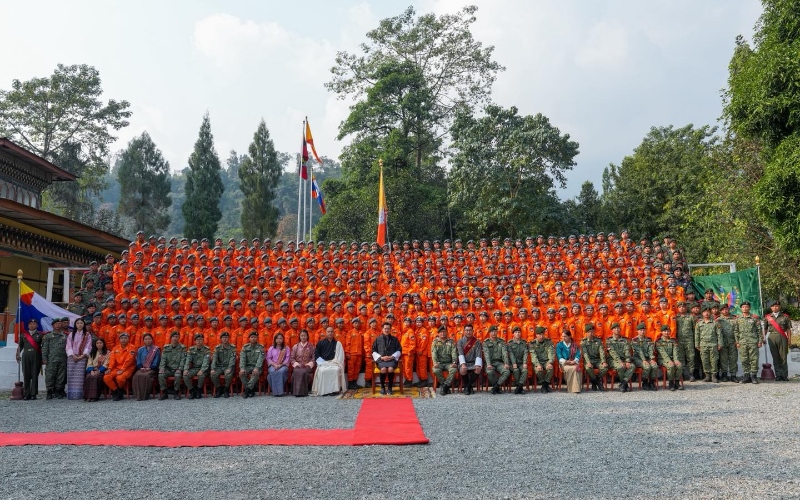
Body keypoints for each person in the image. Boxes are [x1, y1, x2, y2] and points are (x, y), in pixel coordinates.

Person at [312, 326, 346, 396]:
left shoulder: (338, 343)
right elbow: (317, 355)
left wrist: (335, 362)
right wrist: (323, 363)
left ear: (334, 333)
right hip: (323, 363)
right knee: (322, 371)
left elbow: (340, 356)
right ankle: (324, 391)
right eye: (328, 332)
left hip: (334, 363)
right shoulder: (320, 343)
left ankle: (335, 390)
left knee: (336, 370)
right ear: (325, 333)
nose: (330, 333)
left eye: (331, 332)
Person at [764, 299, 792, 381]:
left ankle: (784, 375)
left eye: (776, 306)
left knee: (783, 357)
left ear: (779, 307)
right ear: (771, 308)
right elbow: (765, 329)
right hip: (772, 337)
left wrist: (789, 339)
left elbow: (788, 329)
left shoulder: (785, 317)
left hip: (782, 337)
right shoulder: (768, 317)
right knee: (775, 357)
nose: (775, 308)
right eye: (773, 306)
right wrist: (763, 338)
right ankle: (778, 375)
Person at [734, 301, 762, 384]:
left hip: (753, 342)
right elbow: (736, 331)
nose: (745, 308)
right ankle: (746, 376)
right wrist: (737, 342)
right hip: (742, 342)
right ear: (741, 308)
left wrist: (760, 341)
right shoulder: (738, 319)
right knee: (744, 359)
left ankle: (753, 376)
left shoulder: (754, 318)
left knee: (754, 359)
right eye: (743, 307)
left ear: (749, 308)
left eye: (746, 307)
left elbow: (759, 331)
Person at [103, 332, 136, 401]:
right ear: (119, 339)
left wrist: (123, 369)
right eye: (122, 338)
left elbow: (129, 360)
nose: (123, 340)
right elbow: (112, 359)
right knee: (106, 377)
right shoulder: (115, 348)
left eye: (125, 338)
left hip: (128, 368)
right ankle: (117, 392)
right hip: (116, 368)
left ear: (128, 339)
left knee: (120, 378)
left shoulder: (132, 348)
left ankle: (120, 390)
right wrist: (109, 368)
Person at [16, 318, 44, 400]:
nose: (32, 325)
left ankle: (33, 394)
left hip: (36, 355)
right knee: (26, 375)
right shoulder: (23, 335)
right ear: (28, 326)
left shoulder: (40, 335)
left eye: (34, 324)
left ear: (37, 325)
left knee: (35, 374)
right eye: (30, 324)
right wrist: (17, 354)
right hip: (26, 355)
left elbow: (43, 347)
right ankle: (27, 393)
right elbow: (20, 346)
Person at [65, 318, 92, 400]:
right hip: (72, 357)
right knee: (71, 375)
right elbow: (68, 346)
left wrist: (82, 356)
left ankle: (80, 394)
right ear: (75, 325)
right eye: (78, 323)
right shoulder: (71, 334)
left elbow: (88, 346)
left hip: (82, 357)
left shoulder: (87, 334)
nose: (80, 324)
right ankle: (71, 394)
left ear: (83, 324)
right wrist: (73, 355)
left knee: (80, 377)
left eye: (81, 323)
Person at [371, 322, 402, 395]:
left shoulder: (395, 339)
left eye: (388, 328)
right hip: (381, 359)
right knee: (383, 369)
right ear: (382, 329)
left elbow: (399, 350)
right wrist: (381, 357)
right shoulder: (377, 339)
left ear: (390, 329)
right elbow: (373, 351)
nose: (386, 330)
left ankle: (390, 387)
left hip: (392, 359)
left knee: (391, 369)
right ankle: (382, 387)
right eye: (385, 328)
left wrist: (392, 356)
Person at [41, 317, 68, 399]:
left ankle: (58, 391)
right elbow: (45, 348)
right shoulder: (48, 336)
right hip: (51, 359)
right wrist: (44, 358)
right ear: (53, 325)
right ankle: (49, 391)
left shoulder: (65, 336)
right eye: (56, 324)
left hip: (62, 359)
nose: (58, 325)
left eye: (60, 324)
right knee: (50, 376)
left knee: (61, 376)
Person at [695, 304, 722, 383]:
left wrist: (720, 344)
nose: (706, 313)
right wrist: (697, 344)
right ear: (702, 313)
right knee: (704, 360)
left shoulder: (715, 323)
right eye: (704, 312)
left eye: (708, 312)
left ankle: (714, 376)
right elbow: (697, 334)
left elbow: (719, 334)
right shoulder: (699, 323)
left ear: (710, 313)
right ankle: (707, 376)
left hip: (713, 344)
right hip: (703, 345)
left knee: (714, 361)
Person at [605, 322, 634, 392]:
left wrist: (627, 361)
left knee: (632, 366)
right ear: (612, 330)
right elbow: (612, 353)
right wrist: (620, 361)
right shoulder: (609, 340)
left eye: (618, 328)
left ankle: (623, 383)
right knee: (621, 367)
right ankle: (625, 384)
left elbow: (627, 351)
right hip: (612, 360)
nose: (617, 330)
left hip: (624, 359)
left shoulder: (625, 340)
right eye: (615, 328)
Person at [132, 333, 161, 400]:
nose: (148, 340)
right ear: (143, 341)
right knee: (136, 376)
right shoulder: (140, 350)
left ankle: (145, 395)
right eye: (146, 339)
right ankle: (138, 395)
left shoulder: (156, 349)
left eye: (149, 339)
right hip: (142, 368)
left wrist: (150, 368)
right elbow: (138, 360)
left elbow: (156, 361)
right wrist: (140, 367)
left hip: (152, 369)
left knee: (146, 376)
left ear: (152, 340)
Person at [483, 325, 510, 394]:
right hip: (490, 363)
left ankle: (496, 386)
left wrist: (506, 363)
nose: (494, 333)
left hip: (499, 363)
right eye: (492, 332)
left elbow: (504, 353)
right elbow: (486, 354)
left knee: (506, 371)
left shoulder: (502, 341)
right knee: (489, 372)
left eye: (495, 331)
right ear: (489, 333)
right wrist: (488, 364)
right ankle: (497, 387)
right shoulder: (486, 342)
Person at [158, 332, 186, 400]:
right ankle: (164, 393)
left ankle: (176, 392)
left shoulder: (182, 348)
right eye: (174, 337)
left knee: (178, 375)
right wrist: (161, 368)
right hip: (168, 369)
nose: (175, 338)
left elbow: (183, 360)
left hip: (177, 369)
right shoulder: (166, 348)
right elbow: (163, 360)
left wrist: (180, 369)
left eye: (177, 337)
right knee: (161, 375)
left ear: (179, 338)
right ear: (171, 338)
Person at [457, 324, 483, 395]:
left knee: (478, 369)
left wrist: (477, 364)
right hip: (464, 362)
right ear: (464, 331)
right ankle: (469, 387)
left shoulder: (477, 341)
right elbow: (460, 354)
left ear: (473, 331)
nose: (468, 332)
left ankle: (467, 386)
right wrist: (463, 364)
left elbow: (478, 354)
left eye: (470, 330)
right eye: (467, 330)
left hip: (473, 362)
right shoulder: (460, 341)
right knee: (463, 370)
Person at [430, 325, 457, 395]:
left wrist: (454, 362)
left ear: (447, 333)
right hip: (439, 363)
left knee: (454, 369)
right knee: (435, 370)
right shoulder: (435, 342)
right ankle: (445, 385)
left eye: (444, 332)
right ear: (438, 333)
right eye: (441, 332)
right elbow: (434, 353)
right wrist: (435, 363)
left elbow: (454, 353)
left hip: (449, 363)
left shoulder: (451, 342)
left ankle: (445, 386)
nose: (442, 333)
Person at [632, 322, 659, 390]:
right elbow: (639, 351)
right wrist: (644, 360)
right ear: (637, 331)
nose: (642, 331)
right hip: (637, 358)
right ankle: (645, 382)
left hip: (647, 358)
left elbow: (650, 350)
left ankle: (652, 382)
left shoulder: (649, 340)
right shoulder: (635, 340)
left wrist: (652, 359)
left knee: (654, 365)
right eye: (641, 330)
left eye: (644, 330)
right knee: (647, 367)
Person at [580, 324, 608, 391]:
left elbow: (601, 352)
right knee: (588, 368)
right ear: (586, 333)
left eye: (592, 331)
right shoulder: (583, 342)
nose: (591, 333)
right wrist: (588, 362)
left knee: (605, 367)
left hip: (598, 360)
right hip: (589, 360)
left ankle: (595, 381)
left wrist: (603, 362)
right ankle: (598, 382)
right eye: (589, 332)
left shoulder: (598, 341)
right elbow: (585, 354)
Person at [655, 325, 683, 391]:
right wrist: (668, 361)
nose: (666, 333)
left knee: (679, 365)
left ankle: (677, 382)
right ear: (661, 332)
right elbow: (662, 353)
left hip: (673, 359)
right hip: (662, 359)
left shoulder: (673, 341)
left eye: (668, 331)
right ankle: (671, 382)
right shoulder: (659, 342)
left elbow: (675, 352)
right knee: (671, 366)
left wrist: (676, 360)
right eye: (665, 331)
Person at [183, 334, 211, 399]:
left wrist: (202, 370)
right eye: (197, 340)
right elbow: (188, 360)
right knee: (185, 376)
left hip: (204, 369)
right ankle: (192, 391)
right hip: (194, 368)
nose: (199, 341)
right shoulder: (191, 349)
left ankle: (199, 390)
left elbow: (206, 362)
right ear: (195, 341)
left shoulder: (206, 349)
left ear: (203, 340)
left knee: (201, 375)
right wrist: (186, 369)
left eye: (200, 339)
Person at [675, 302, 697, 381]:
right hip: (679, 340)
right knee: (681, 357)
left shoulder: (691, 317)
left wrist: (695, 340)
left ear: (686, 308)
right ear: (678, 308)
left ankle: (691, 374)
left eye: (683, 307)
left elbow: (695, 329)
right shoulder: (675, 317)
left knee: (690, 357)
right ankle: (682, 374)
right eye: (680, 307)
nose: (682, 308)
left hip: (689, 340)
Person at [529, 326, 555, 393]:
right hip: (538, 362)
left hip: (546, 361)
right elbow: (533, 356)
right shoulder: (532, 344)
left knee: (550, 368)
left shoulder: (549, 342)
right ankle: (545, 385)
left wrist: (550, 362)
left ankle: (544, 385)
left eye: (543, 334)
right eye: (539, 334)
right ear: (536, 335)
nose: (541, 336)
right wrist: (537, 365)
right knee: (539, 370)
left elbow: (551, 353)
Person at [290, 329, 315, 397]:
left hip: (307, 366)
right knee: (297, 371)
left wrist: (308, 364)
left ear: (307, 336)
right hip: (298, 365)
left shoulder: (311, 346)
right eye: (302, 336)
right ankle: (296, 392)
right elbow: (292, 358)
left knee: (303, 372)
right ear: (299, 337)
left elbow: (313, 358)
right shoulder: (295, 346)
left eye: (305, 336)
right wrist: (297, 364)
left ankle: (303, 392)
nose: (303, 337)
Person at [210, 331, 236, 398]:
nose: (225, 339)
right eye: (223, 337)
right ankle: (219, 389)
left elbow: (232, 359)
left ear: (229, 338)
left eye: (226, 337)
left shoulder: (232, 348)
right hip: (219, 367)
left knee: (228, 374)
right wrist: (213, 368)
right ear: (221, 339)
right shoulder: (217, 348)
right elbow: (214, 359)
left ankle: (226, 389)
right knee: (213, 374)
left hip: (228, 366)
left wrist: (229, 368)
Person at [716, 305, 738, 382]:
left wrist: (737, 341)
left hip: (732, 342)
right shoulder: (718, 320)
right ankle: (724, 375)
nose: (725, 311)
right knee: (723, 359)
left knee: (733, 359)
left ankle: (733, 375)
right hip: (723, 342)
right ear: (720, 311)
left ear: (729, 310)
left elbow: (737, 330)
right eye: (723, 310)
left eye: (726, 309)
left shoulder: (735, 319)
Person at [240, 331, 265, 398]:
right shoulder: (245, 347)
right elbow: (242, 359)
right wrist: (242, 368)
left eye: (255, 337)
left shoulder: (261, 347)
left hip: (257, 367)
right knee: (241, 373)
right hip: (247, 366)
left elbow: (260, 359)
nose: (253, 338)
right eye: (251, 337)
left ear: (257, 338)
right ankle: (251, 389)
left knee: (255, 373)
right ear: (249, 338)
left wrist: (256, 368)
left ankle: (247, 390)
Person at [507, 326, 529, 394]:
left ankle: (519, 386)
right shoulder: (510, 343)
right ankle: (520, 387)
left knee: (525, 370)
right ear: (513, 334)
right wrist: (514, 363)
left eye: (519, 332)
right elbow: (511, 354)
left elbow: (526, 353)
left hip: (521, 363)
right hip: (512, 364)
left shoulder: (524, 343)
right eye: (516, 332)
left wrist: (525, 363)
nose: (518, 334)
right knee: (516, 370)